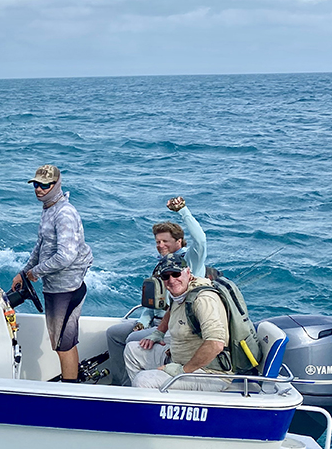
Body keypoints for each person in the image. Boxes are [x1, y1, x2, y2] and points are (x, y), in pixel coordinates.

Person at [105, 196, 208, 386]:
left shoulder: (190, 261)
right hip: (154, 321)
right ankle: (121, 384)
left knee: (132, 340)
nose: (160, 245)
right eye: (157, 241)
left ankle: (143, 384)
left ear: (179, 242)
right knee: (114, 333)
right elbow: (153, 303)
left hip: (174, 326)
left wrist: (183, 211)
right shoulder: (161, 266)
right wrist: (142, 323)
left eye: (165, 241)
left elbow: (201, 241)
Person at [11, 165, 93, 382]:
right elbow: (41, 245)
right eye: (36, 184)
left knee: (63, 345)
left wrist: (35, 273)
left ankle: (70, 391)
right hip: (55, 285)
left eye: (45, 185)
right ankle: (71, 385)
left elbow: (66, 256)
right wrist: (24, 272)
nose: (39, 189)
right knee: (61, 342)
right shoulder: (49, 208)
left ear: (57, 185)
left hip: (67, 287)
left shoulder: (64, 213)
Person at [123, 254, 229, 391]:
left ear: (188, 272)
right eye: (166, 276)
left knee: (143, 380)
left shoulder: (203, 300)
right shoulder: (180, 294)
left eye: (176, 274)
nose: (172, 280)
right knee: (132, 350)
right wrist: (158, 332)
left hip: (209, 372)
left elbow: (216, 344)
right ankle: (147, 400)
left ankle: (151, 403)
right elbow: (172, 310)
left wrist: (182, 370)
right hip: (177, 359)